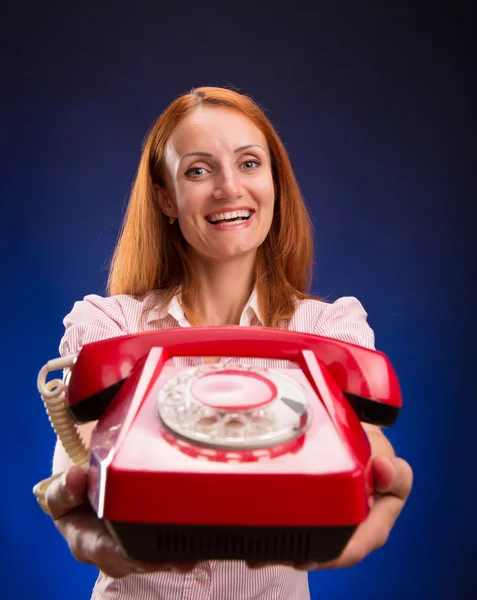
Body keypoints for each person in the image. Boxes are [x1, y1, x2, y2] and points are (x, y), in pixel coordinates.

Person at [37, 86, 413, 600]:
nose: (229, 188)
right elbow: (75, 465)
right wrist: (76, 497)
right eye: (198, 170)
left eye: (249, 163)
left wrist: (371, 481)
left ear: (274, 183)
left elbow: (367, 455)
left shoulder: (330, 332)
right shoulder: (109, 327)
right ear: (166, 197)